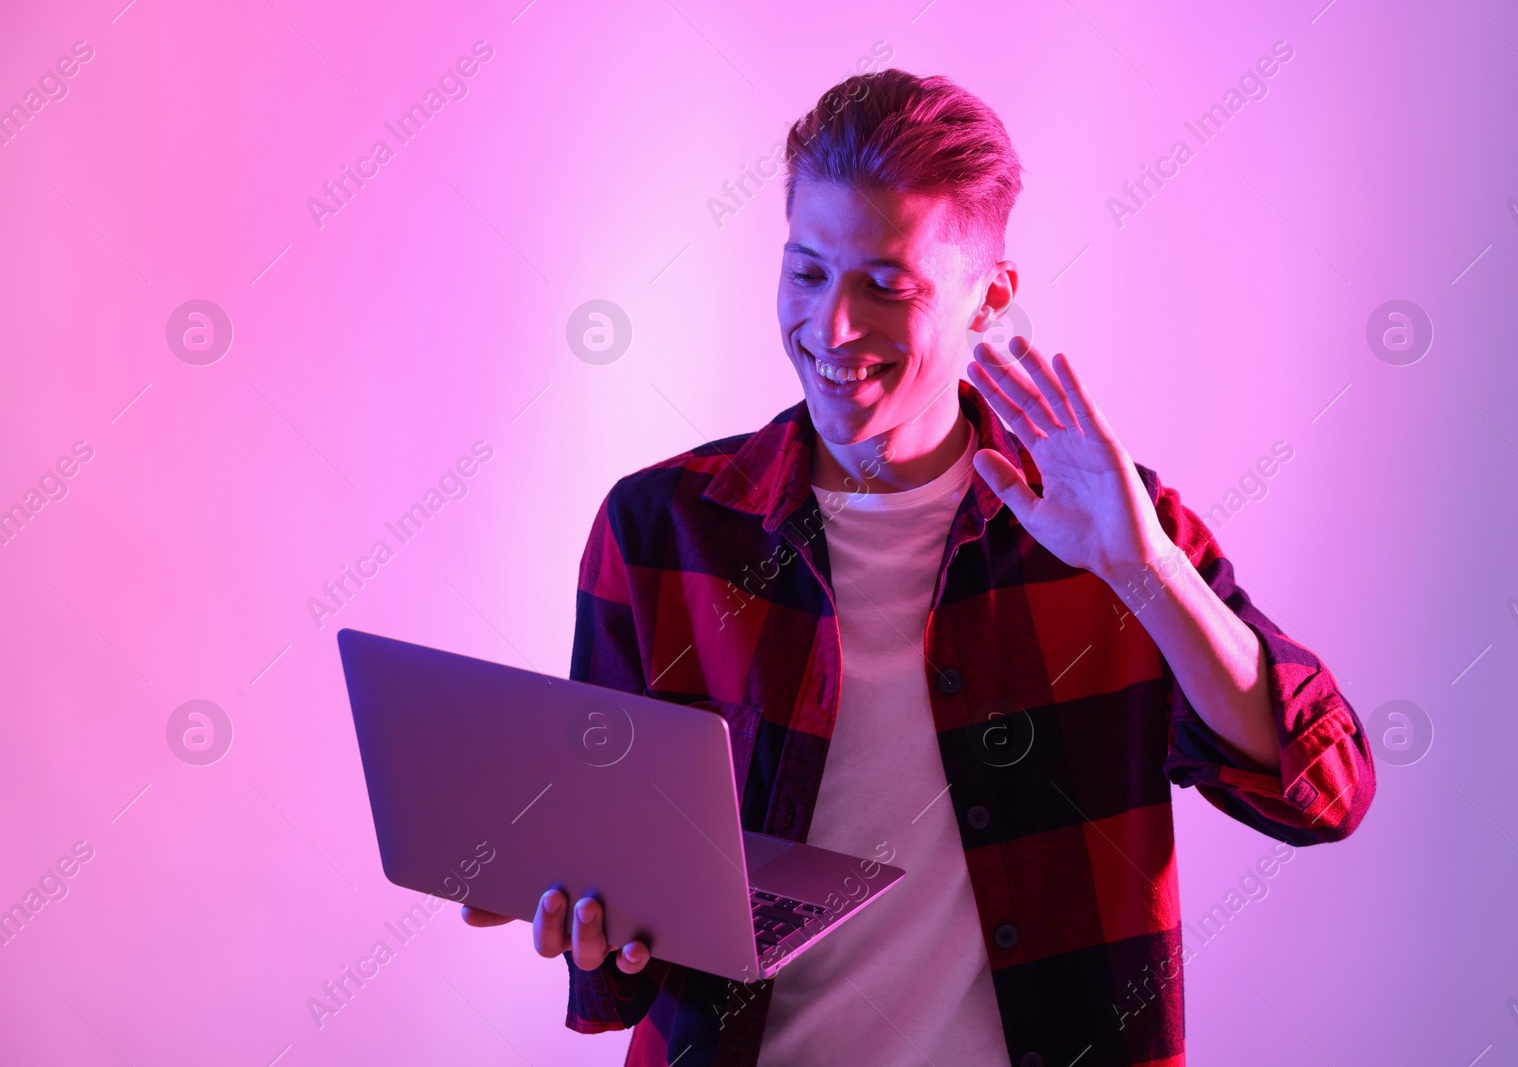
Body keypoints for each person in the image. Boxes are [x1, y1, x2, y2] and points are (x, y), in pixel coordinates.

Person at [465, 68, 1375, 1067]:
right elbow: (623, 910)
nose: (833, 329)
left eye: (885, 285)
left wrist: (1144, 569)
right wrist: (590, 920)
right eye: (807, 273)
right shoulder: (662, 528)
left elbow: (1321, 790)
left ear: (992, 296)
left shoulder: (1108, 524)